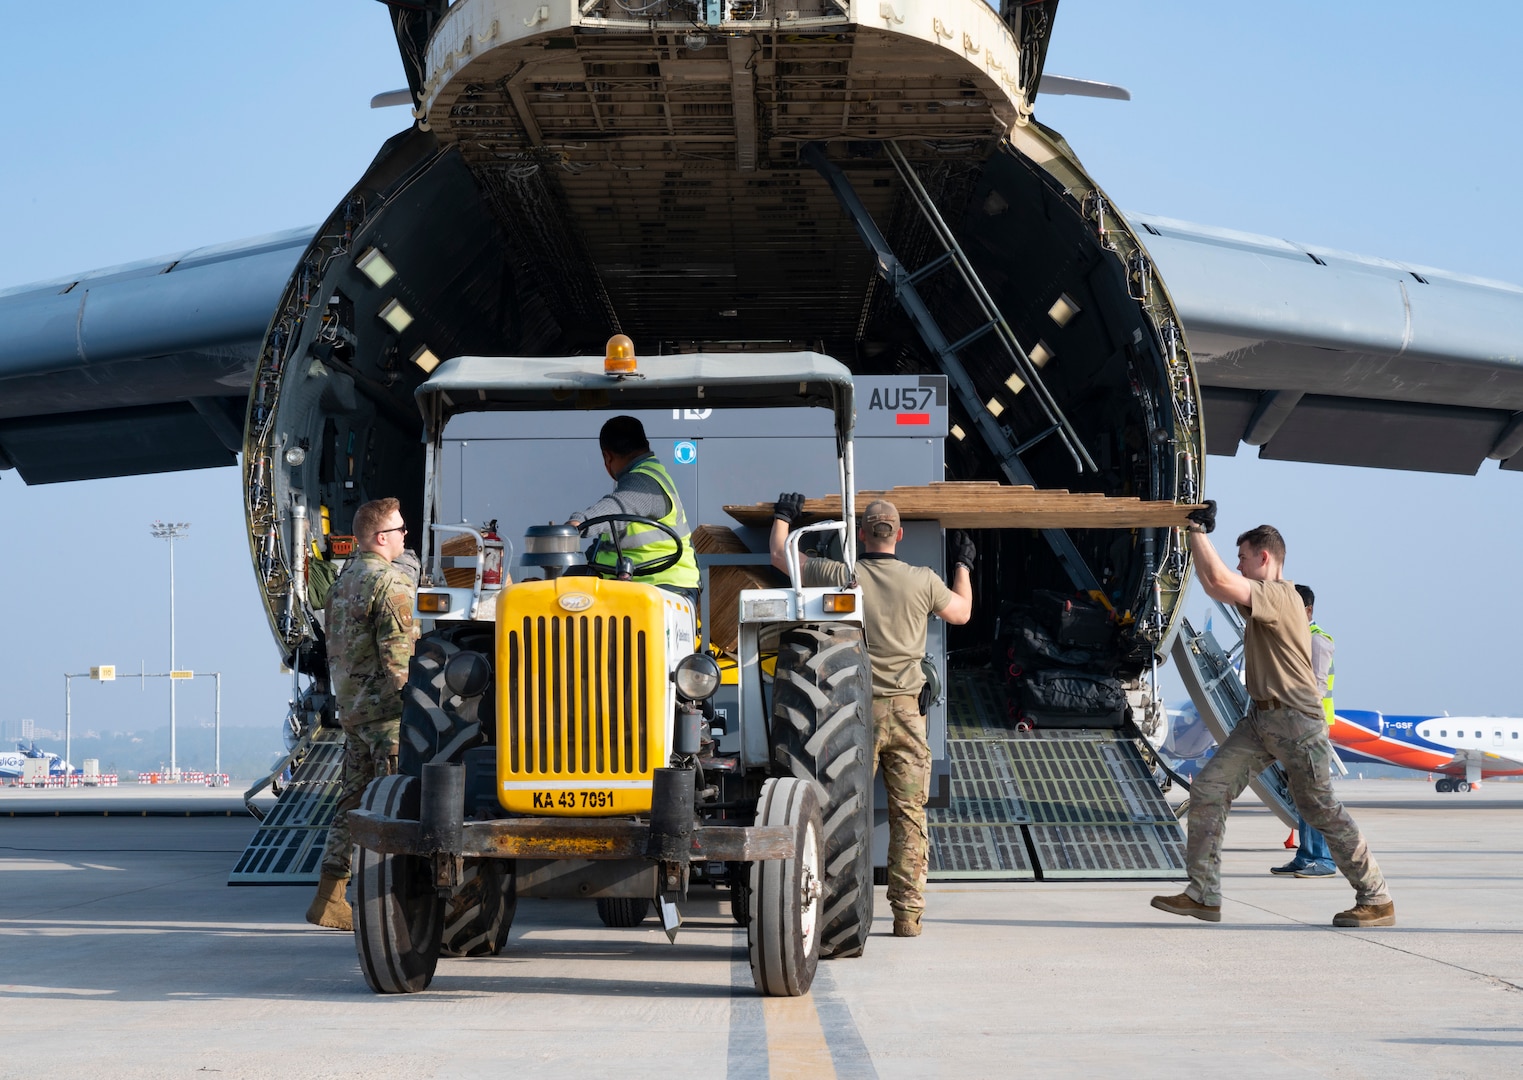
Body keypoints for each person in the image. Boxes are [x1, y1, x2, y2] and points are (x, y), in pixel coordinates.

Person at [1151, 508, 1393, 927]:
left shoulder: (1284, 595)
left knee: (1320, 810)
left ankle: (1376, 898)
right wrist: (1190, 537)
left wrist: (1195, 531)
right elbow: (1215, 584)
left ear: (1264, 558)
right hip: (1261, 721)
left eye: (1243, 556)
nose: (1239, 564)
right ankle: (1203, 894)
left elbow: (1223, 581)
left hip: (1297, 721)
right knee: (1209, 788)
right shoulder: (1263, 601)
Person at [770, 495, 973, 938]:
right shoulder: (923, 580)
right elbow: (962, 612)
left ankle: (831, 910)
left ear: (861, 534)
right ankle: (907, 917)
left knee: (843, 811)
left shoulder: (845, 576)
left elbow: (780, 555)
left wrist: (784, 517)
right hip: (907, 716)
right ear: (899, 536)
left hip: (852, 712)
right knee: (909, 816)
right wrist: (963, 564)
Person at [305, 497, 419, 931]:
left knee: (351, 804)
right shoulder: (389, 584)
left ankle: (330, 897)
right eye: (401, 530)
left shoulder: (342, 582)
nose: (405, 537)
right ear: (380, 537)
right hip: (389, 717)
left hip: (354, 713)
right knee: (396, 810)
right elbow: (399, 660)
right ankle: (393, 904)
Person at [567, 415, 699, 598]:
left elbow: (619, 506)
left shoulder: (643, 482)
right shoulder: (654, 476)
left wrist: (577, 524)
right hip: (649, 587)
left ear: (607, 456)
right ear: (646, 444)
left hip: (662, 588)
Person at [1270, 583, 1337, 878]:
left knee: (1314, 796)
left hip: (1311, 727)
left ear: (1307, 610)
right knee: (1300, 795)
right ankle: (1306, 855)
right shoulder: (1294, 638)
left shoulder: (1317, 642)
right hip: (1293, 726)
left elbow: (1316, 688)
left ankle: (1324, 860)